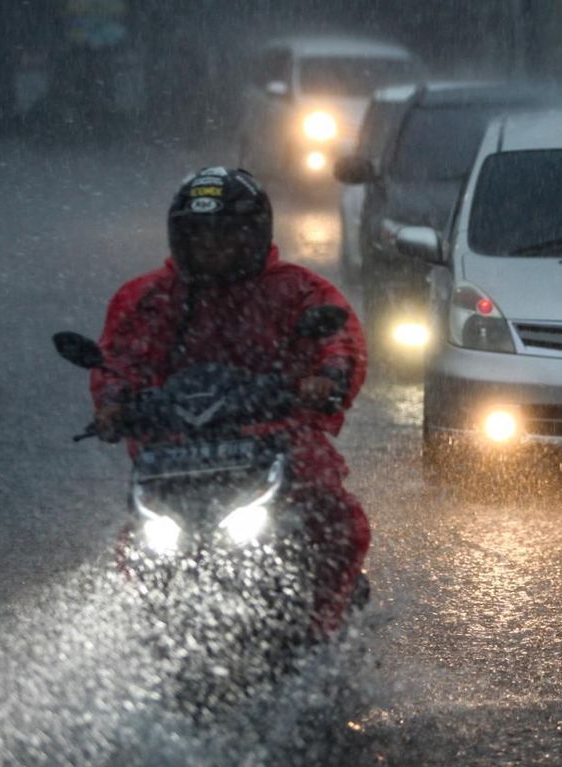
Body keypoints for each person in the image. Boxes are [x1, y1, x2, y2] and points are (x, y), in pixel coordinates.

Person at [90, 167, 369, 637]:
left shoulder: (298, 290)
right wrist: (114, 403)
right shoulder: (148, 297)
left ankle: (323, 630)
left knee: (338, 521)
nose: (212, 247)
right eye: (199, 236)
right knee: (136, 541)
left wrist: (326, 379)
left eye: (226, 235)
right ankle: (152, 630)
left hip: (275, 439)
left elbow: (339, 343)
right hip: (174, 452)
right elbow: (120, 361)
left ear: (254, 234)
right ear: (180, 238)